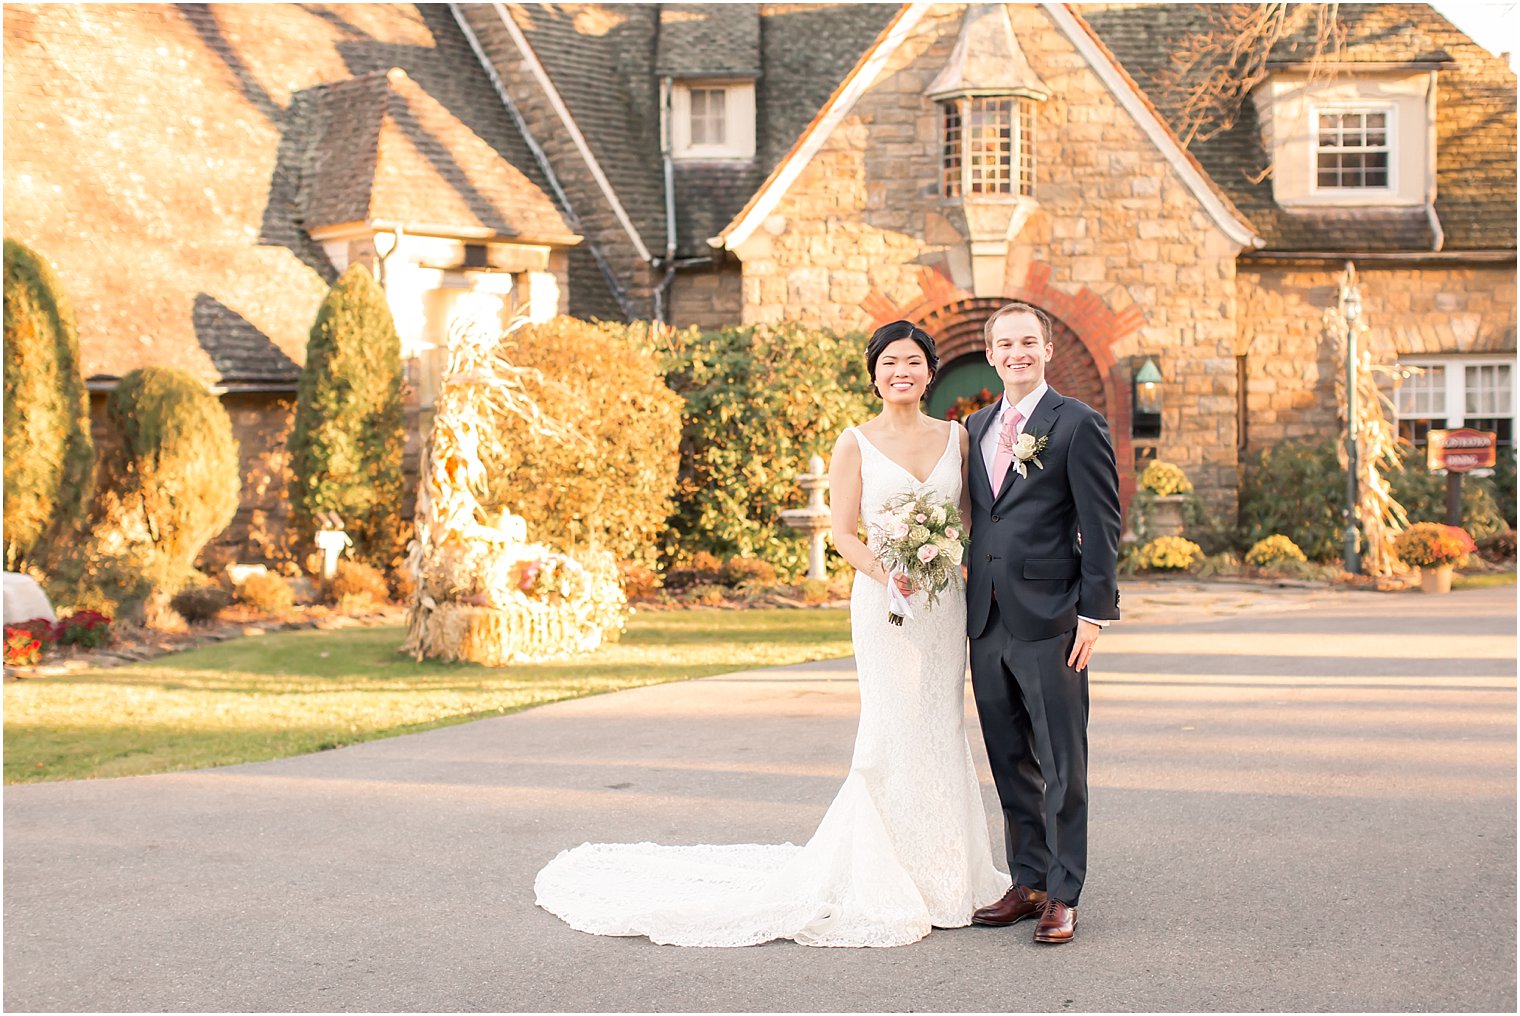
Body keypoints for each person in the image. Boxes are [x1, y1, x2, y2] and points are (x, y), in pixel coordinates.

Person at [533, 320, 1006, 948]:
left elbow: (970, 518)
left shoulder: (958, 439)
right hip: (885, 605)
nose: (902, 372)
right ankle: (878, 876)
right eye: (890, 362)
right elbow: (841, 532)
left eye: (913, 362)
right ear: (874, 375)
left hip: (942, 605)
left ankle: (950, 875)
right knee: (890, 730)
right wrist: (889, 572)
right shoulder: (854, 443)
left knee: (941, 725)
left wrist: (945, 561)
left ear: (930, 371)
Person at [961, 302, 1122, 945]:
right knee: (1008, 757)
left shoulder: (1077, 424)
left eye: (1028, 342)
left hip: (1053, 617)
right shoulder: (973, 426)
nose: (1016, 353)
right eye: (1005, 344)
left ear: (1046, 350)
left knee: (1061, 760)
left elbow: (1103, 525)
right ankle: (1026, 882)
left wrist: (1093, 612)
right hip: (987, 618)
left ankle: (1063, 892)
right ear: (992, 354)